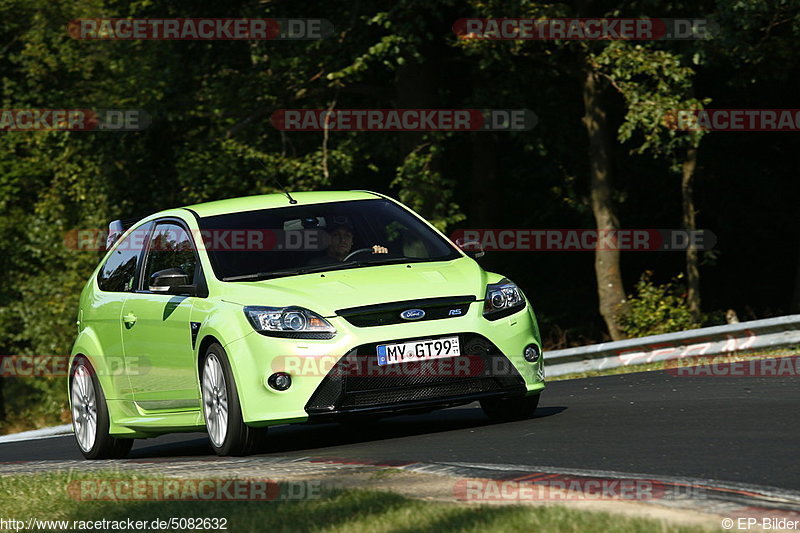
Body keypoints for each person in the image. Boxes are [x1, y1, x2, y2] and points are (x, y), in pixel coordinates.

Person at [308, 223, 388, 265]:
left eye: (347, 235)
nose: (342, 240)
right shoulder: (315, 265)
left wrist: (380, 256)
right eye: (336, 235)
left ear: (352, 241)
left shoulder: (362, 261)